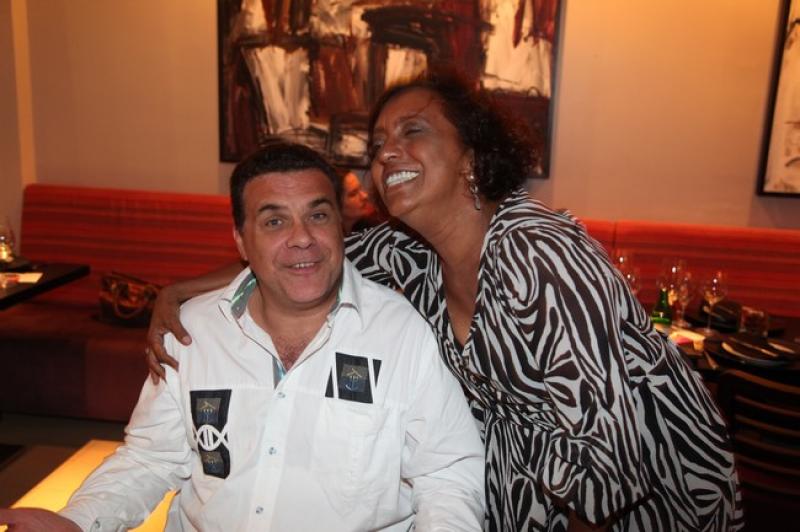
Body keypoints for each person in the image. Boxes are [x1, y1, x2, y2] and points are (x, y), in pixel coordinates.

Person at [145, 75, 743, 531]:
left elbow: (611, 467)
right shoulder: (409, 254)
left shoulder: (540, 253)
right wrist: (182, 291)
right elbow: (302, 256)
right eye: (378, 144)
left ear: (472, 156)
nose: (386, 153)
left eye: (413, 132)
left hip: (648, 504)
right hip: (524, 501)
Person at [0, 142, 485, 532]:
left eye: (318, 215)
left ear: (341, 226)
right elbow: (150, 458)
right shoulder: (193, 331)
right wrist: (77, 521)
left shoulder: (400, 333)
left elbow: (447, 474)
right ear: (240, 240)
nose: (302, 237)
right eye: (274, 221)